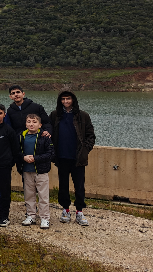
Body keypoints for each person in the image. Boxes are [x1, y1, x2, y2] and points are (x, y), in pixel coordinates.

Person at [49, 90, 96, 226]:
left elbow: (90, 136)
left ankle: (80, 211)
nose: (65, 102)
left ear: (73, 100)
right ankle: (66, 210)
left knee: (79, 186)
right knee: (63, 186)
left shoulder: (83, 116)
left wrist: (85, 150)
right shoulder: (55, 115)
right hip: (61, 157)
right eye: (63, 99)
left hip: (78, 158)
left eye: (68, 99)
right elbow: (49, 131)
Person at [18, 114, 54, 229]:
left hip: (41, 171)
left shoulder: (45, 137)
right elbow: (16, 151)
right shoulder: (21, 136)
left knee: (43, 196)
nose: (31, 124)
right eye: (29, 121)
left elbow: (50, 153)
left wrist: (35, 158)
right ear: (25, 124)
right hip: (26, 170)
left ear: (40, 125)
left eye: (34, 122)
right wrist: (23, 157)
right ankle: (31, 216)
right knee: (29, 195)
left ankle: (45, 218)